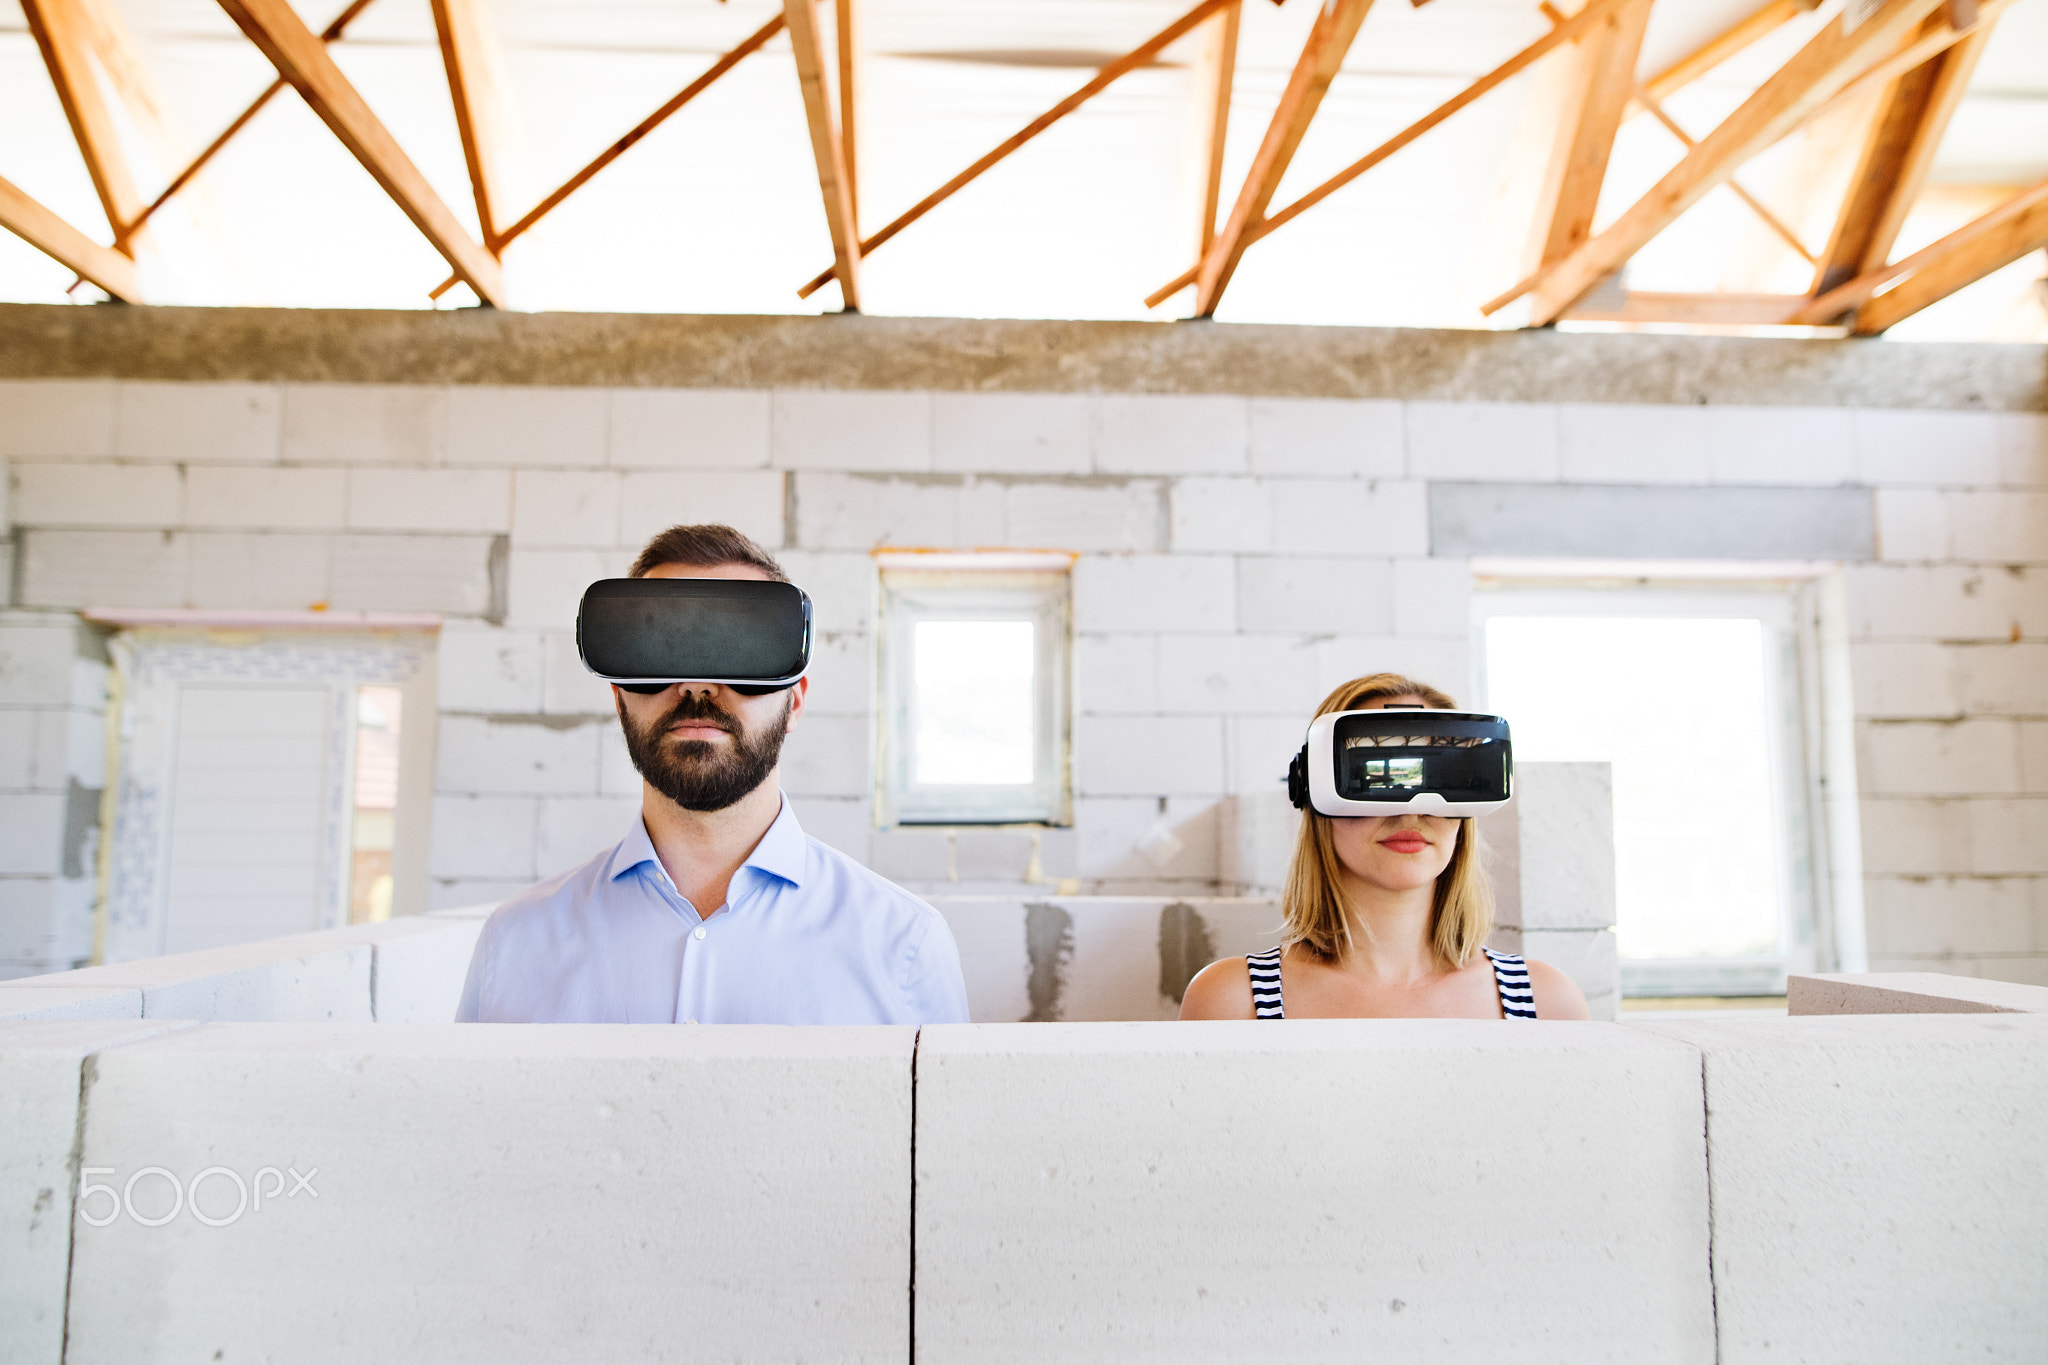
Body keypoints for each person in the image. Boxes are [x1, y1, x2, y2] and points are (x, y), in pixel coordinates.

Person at [457, 524, 970, 1025]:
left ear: (794, 702)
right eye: (664, 649)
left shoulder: (905, 944)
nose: (697, 685)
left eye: (740, 651)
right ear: (619, 698)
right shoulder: (515, 942)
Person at [1181, 673, 1588, 1022]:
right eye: (1375, 775)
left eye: (1441, 775)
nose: (1411, 811)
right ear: (1314, 793)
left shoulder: (1546, 1001)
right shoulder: (1233, 1002)